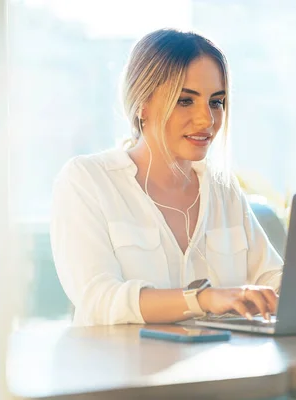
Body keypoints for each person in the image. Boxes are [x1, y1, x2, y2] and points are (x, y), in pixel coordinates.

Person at [50, 29, 283, 326]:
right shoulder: (86, 181)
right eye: (186, 100)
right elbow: (98, 299)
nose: (207, 120)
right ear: (142, 104)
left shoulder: (223, 189)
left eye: (216, 102)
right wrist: (202, 299)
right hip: (122, 368)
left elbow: (272, 278)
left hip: (216, 370)